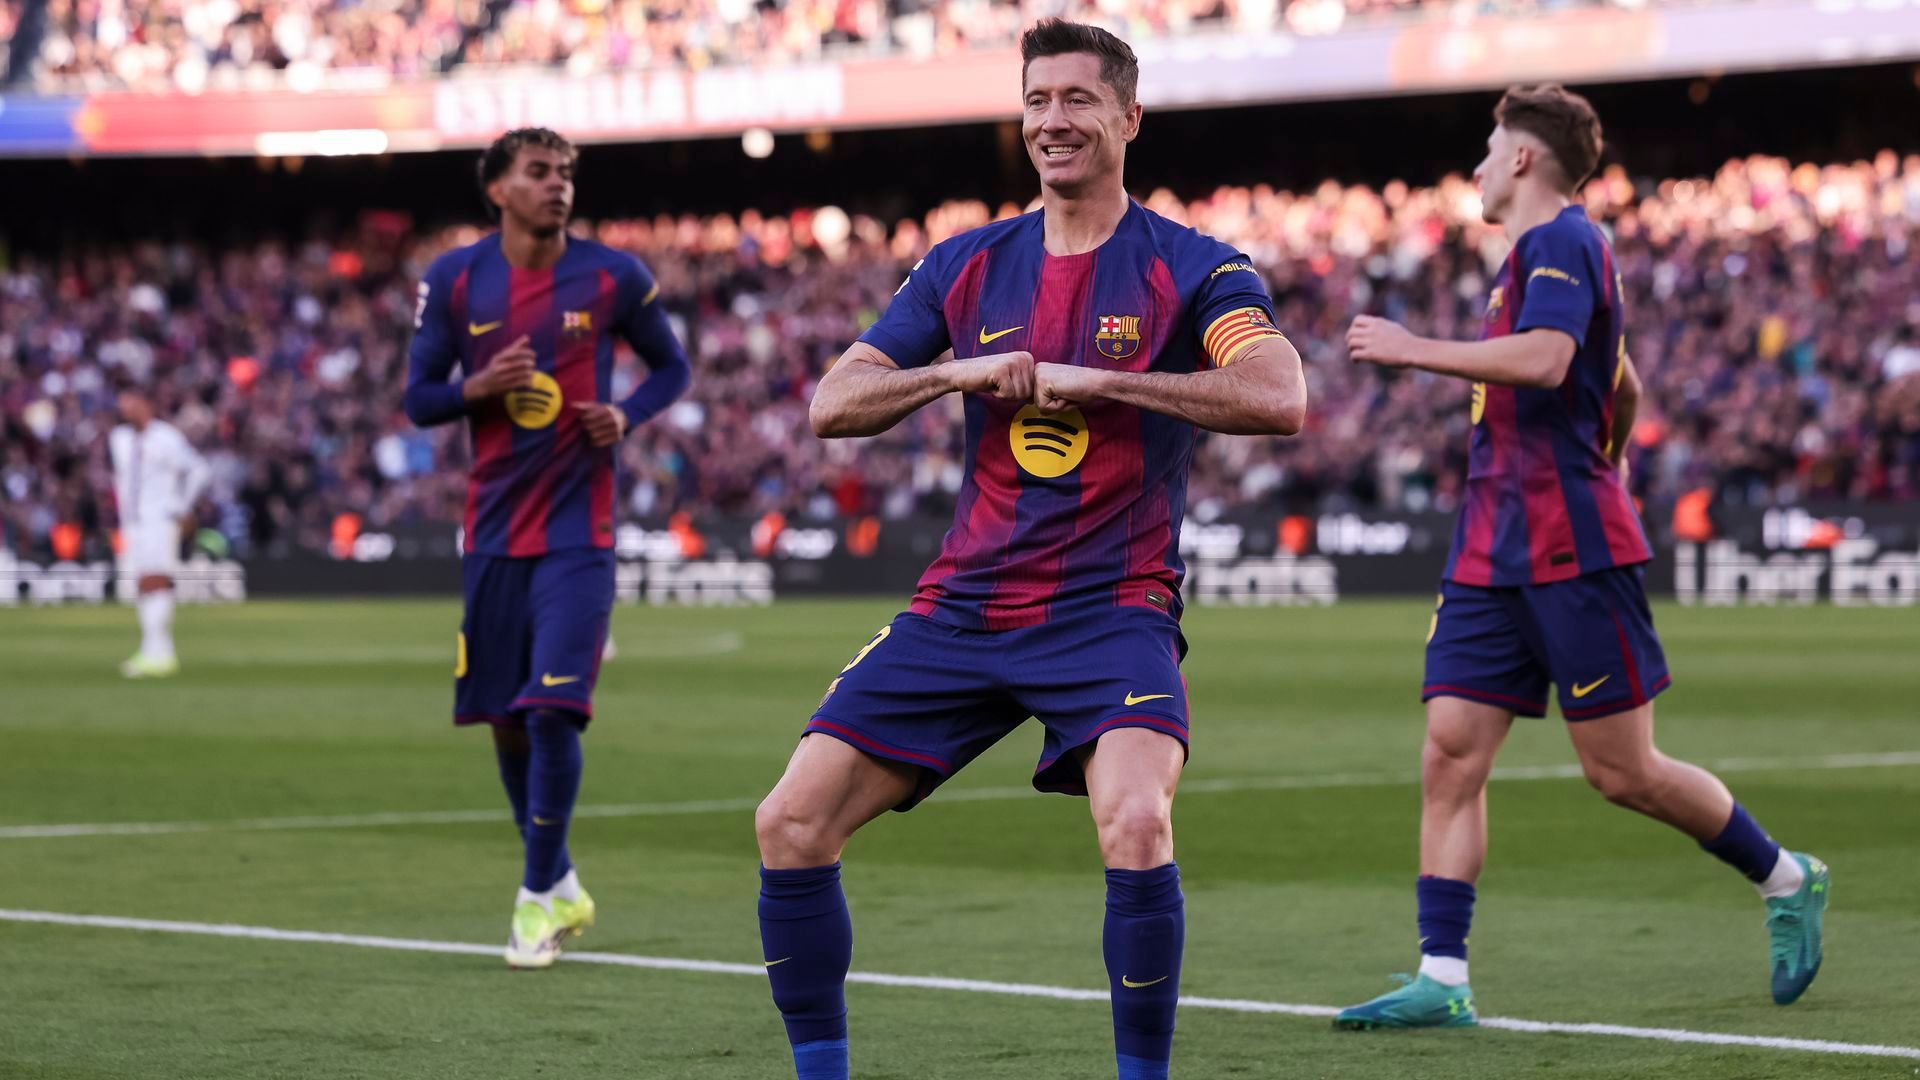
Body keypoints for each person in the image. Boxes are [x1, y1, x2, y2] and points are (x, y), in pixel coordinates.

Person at [750, 20, 1307, 1080]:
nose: (1053, 120)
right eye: (1037, 99)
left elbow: (1280, 395)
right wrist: (951, 375)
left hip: (1113, 608)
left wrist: (1111, 382)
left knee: (1138, 825)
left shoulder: (1195, 269)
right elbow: (835, 401)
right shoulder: (964, 266)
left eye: (1078, 99)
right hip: (964, 608)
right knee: (790, 821)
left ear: (1128, 118)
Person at [1336, 84, 1828, 1029]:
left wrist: (1412, 348)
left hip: (1568, 547)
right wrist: (1607, 450)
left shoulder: (1564, 239)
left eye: (1487, 149)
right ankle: (1442, 977)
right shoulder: (1527, 257)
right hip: (1490, 548)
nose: (1476, 167)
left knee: (1622, 773)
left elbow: (1553, 362)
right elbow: (1624, 380)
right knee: (1449, 756)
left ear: (1523, 158)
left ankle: (1785, 876)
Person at [403, 127, 692, 969]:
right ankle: (558, 877)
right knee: (505, 718)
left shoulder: (612, 275)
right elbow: (420, 399)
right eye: (539, 173)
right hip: (492, 536)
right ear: (497, 188)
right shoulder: (454, 279)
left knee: (552, 706)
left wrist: (628, 415)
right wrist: (477, 388)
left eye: (565, 173)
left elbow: (671, 368)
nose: (558, 185)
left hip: (579, 534)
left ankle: (534, 899)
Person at [108, 383, 210, 678]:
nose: (125, 409)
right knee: (142, 584)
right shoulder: (120, 439)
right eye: (122, 403)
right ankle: (157, 651)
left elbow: (199, 470)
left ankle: (156, 650)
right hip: (133, 522)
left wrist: (181, 507)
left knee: (157, 581)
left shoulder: (166, 438)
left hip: (159, 519)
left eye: (130, 402)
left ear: (146, 404)